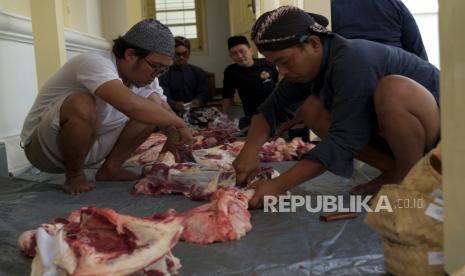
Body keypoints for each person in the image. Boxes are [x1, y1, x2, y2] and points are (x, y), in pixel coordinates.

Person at [233, 6, 440, 207]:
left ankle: (412, 181)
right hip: (407, 137)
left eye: (284, 62)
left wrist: (278, 185)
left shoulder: (353, 59)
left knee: (393, 90)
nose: (282, 71)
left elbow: (345, 138)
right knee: (311, 109)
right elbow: (271, 110)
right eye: (276, 64)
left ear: (314, 43)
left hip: (445, 139)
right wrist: (249, 150)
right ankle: (394, 171)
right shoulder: (305, 68)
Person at [20, 19, 194, 194]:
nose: (156, 74)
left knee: (153, 112)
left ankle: (111, 168)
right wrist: (179, 123)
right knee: (81, 103)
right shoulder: (95, 62)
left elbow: (161, 109)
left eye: (163, 70)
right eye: (155, 67)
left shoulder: (146, 79)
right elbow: (130, 106)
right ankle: (74, 176)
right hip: (45, 150)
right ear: (130, 54)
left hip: (89, 147)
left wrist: (175, 138)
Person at [331, 0, 429, 60]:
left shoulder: (332, 8)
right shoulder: (394, 5)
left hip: (352, 74)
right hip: (397, 77)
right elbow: (418, 52)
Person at [222, 36, 279, 130]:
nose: (239, 56)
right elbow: (227, 95)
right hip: (252, 116)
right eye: (234, 53)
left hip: (275, 112)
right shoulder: (231, 72)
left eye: (242, 51)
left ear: (251, 51)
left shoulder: (267, 64)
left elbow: (277, 85)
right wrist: (223, 116)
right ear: (231, 56)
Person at [159, 36, 209, 113]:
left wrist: (198, 101)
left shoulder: (199, 72)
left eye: (184, 54)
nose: (181, 57)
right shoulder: (164, 75)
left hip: (196, 110)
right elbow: (163, 97)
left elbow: (204, 94)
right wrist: (174, 104)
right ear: (172, 54)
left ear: (189, 53)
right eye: (177, 54)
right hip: (172, 112)